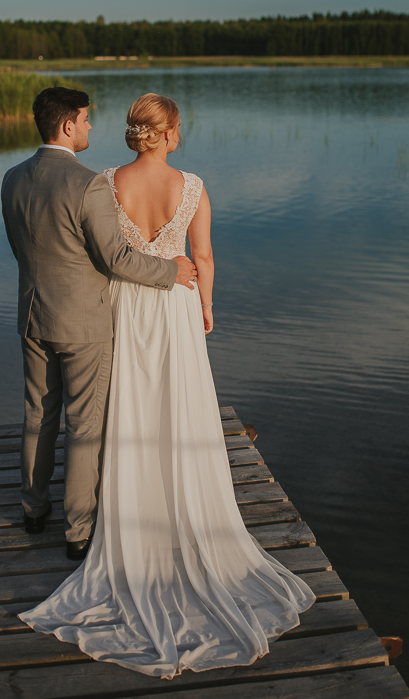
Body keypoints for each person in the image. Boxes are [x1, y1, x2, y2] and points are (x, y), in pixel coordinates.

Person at [19, 93, 315, 678]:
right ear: (170, 133)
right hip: (175, 306)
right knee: (179, 409)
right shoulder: (195, 187)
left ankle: (122, 511)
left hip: (127, 307)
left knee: (127, 409)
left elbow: (104, 256)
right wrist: (205, 306)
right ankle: (182, 507)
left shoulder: (102, 182)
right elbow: (201, 256)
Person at [1, 86, 198, 562]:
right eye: (86, 120)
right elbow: (115, 258)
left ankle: (32, 509)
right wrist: (173, 271)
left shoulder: (12, 178)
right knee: (84, 425)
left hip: (32, 313)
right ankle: (78, 530)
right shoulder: (87, 184)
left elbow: (23, 247)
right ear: (67, 125)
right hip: (85, 322)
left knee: (38, 415)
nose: (90, 127)